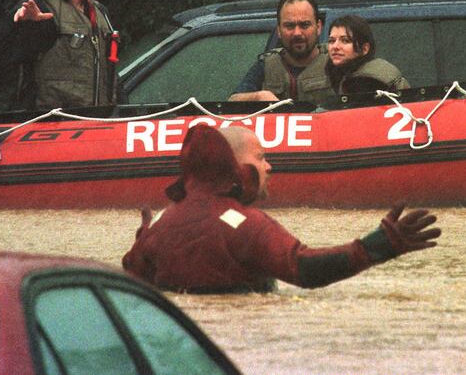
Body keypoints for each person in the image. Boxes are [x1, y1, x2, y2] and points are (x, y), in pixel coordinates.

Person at [122, 124, 441, 293]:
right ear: (235, 166)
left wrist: (144, 236)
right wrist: (377, 246)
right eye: (261, 158)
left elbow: (131, 277)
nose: (269, 166)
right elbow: (304, 269)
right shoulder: (245, 224)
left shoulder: (162, 222)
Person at [0, 0, 118, 109]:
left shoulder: (101, 13)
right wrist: (25, 22)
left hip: (99, 120)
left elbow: (113, 76)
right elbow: (9, 44)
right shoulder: (43, 5)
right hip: (53, 120)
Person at [229, 0, 334, 105]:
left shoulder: (335, 61)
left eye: (304, 25)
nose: (297, 33)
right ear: (279, 30)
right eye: (289, 26)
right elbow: (232, 101)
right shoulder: (266, 65)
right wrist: (258, 96)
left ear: (318, 27)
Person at [326, 15, 410, 94]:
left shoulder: (368, 81)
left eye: (345, 41)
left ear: (364, 49)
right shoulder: (341, 72)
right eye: (331, 41)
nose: (335, 46)